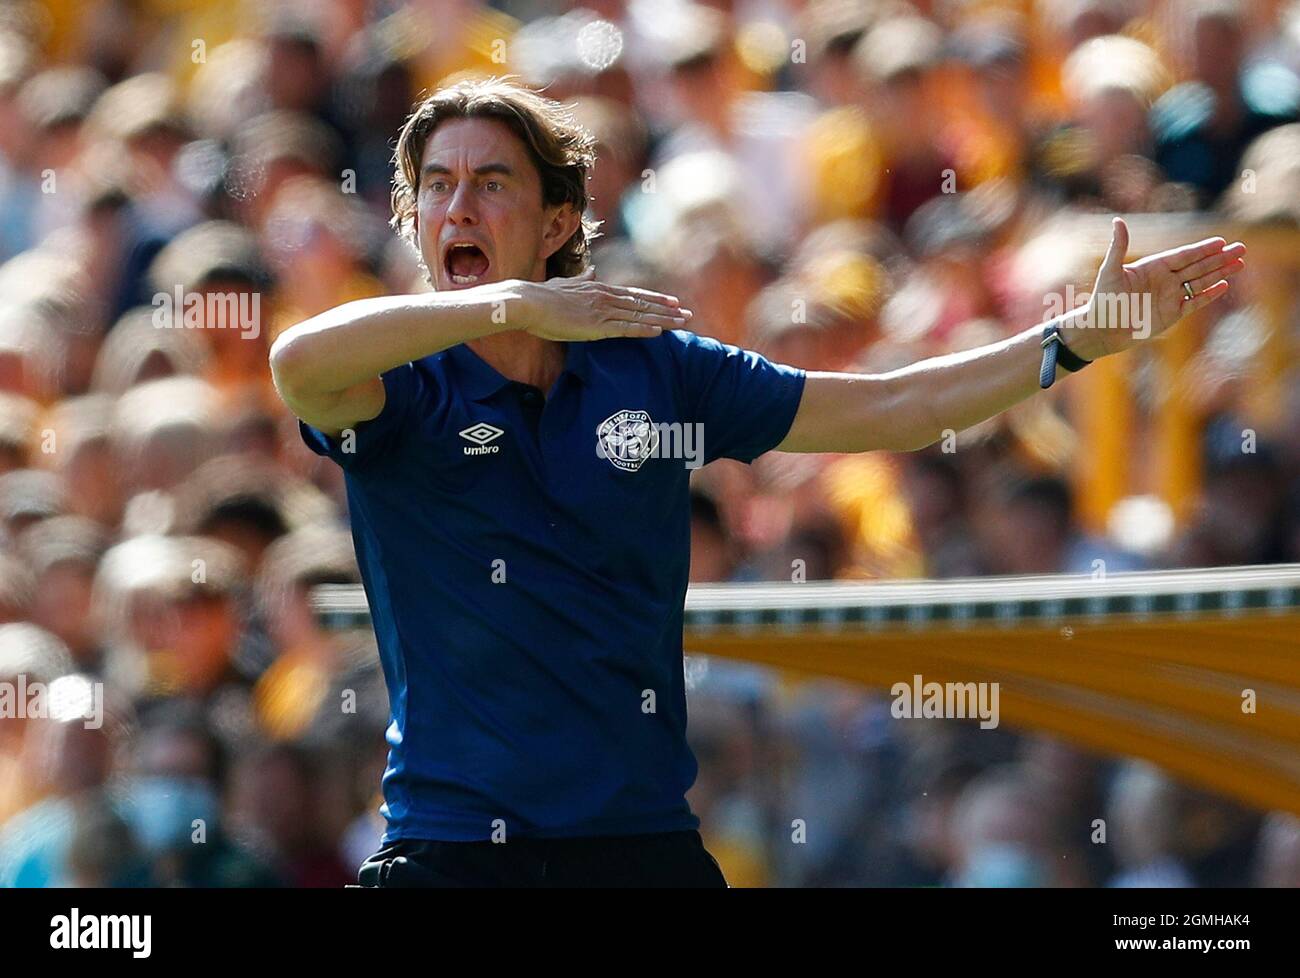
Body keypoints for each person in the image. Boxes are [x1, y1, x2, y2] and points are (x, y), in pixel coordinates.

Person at [268, 76, 1246, 888]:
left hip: (639, 848)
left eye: (489, 182)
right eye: (435, 187)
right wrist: (510, 303)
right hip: (451, 852)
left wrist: (1069, 341)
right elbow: (298, 364)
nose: (458, 207)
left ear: (559, 216)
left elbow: (889, 410)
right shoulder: (396, 381)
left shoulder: (654, 365)